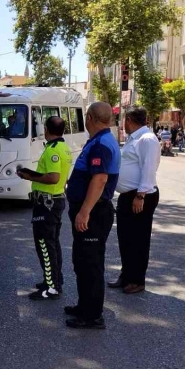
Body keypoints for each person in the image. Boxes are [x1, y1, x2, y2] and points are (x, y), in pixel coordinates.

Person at [64, 102, 120, 330]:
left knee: (91, 264)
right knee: (82, 261)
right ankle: (84, 305)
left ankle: (92, 316)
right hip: (91, 211)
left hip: (94, 213)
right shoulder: (100, 141)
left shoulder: (102, 144)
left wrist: (84, 211)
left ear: (89, 118)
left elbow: (100, 180)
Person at [17, 116, 71, 300]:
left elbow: (53, 177)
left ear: (46, 129)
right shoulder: (63, 147)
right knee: (52, 244)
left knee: (45, 245)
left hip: (47, 204)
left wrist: (29, 177)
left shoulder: (53, 150)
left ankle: (52, 287)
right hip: (53, 201)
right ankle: (54, 280)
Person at [109, 107, 161, 295]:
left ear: (129, 119)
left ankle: (137, 280)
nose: (123, 124)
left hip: (141, 196)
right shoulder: (134, 138)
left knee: (138, 240)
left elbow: (149, 169)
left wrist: (140, 196)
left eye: (124, 120)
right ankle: (126, 275)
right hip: (127, 196)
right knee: (125, 239)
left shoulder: (147, 139)